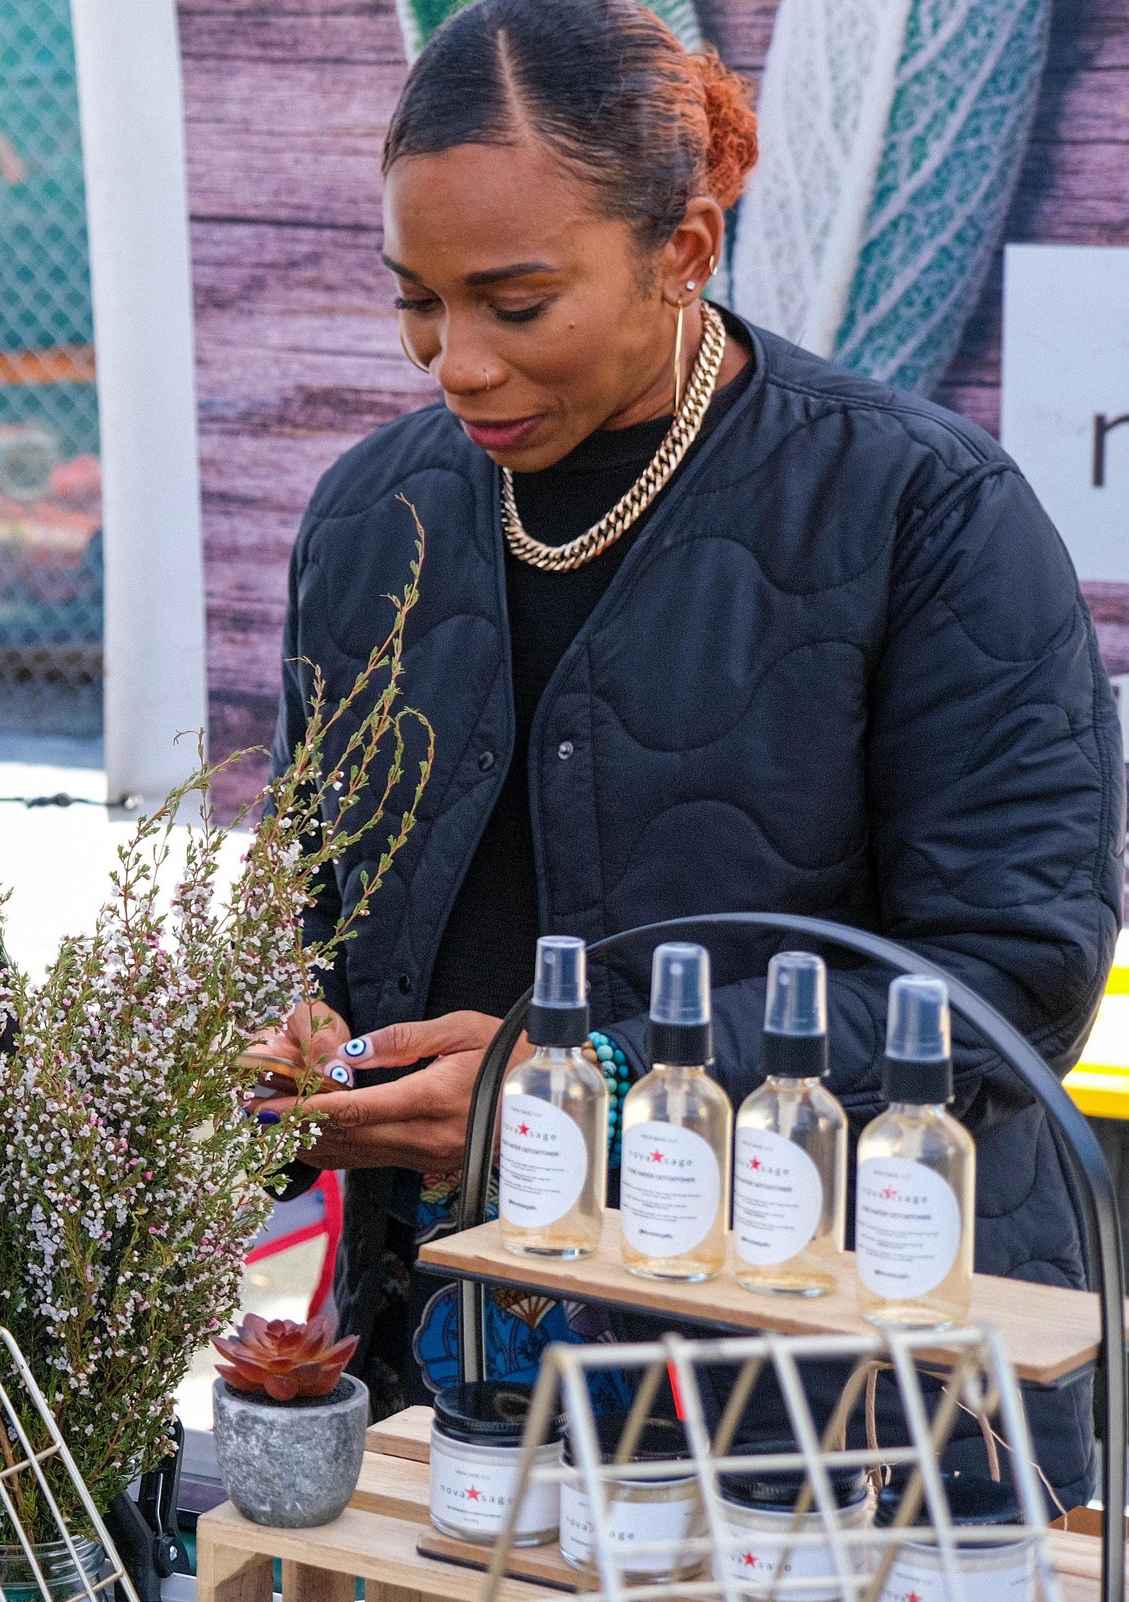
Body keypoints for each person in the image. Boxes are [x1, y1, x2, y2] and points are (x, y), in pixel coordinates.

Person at [251, 0, 1121, 1502]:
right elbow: (318, 888)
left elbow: (1007, 973)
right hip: (450, 1375)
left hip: (842, 1394)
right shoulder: (369, 515)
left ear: (686, 248)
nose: (454, 362)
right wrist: (293, 1008)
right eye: (417, 302)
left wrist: (580, 1083)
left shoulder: (923, 512)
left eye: (516, 305)